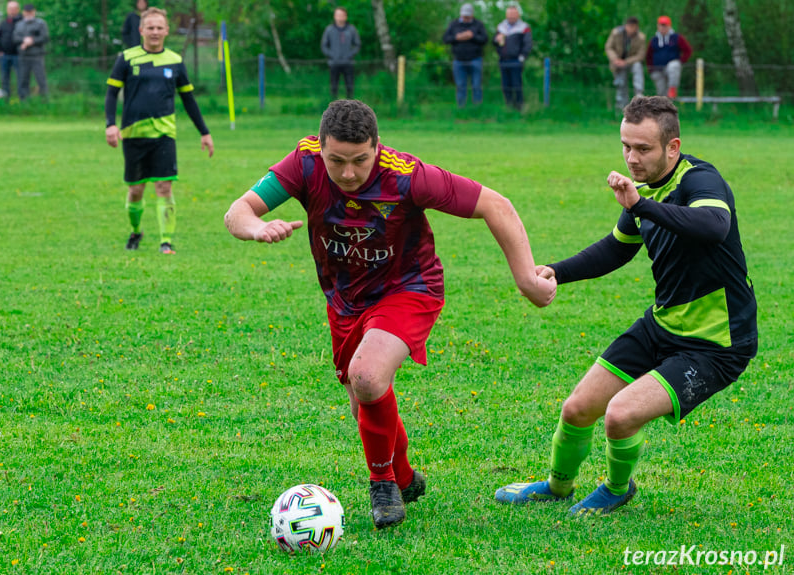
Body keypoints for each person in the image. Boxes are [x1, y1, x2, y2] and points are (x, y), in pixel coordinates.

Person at [224, 99, 556, 529]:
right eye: (336, 161)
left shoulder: (408, 176)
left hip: (409, 288)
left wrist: (526, 278)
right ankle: (402, 476)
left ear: (377, 148)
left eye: (360, 161)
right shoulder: (303, 164)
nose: (347, 173)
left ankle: (382, 484)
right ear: (320, 148)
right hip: (345, 301)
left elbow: (496, 205)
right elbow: (238, 211)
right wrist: (256, 227)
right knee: (364, 400)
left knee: (367, 376)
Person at [495, 96, 757, 516]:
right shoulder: (645, 194)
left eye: (643, 149)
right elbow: (616, 251)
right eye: (626, 146)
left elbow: (713, 226)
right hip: (663, 325)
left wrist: (640, 205)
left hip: (716, 343)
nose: (632, 159)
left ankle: (617, 488)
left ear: (672, 148)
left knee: (619, 415)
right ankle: (557, 486)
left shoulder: (700, 181)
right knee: (578, 408)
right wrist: (556, 272)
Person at [105, 7, 214, 255]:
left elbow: (188, 100)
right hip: (133, 134)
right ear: (142, 30)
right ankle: (135, 231)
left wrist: (204, 132)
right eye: (150, 28)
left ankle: (166, 241)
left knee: (164, 187)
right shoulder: (126, 58)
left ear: (166, 31)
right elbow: (111, 93)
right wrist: (110, 124)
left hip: (164, 135)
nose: (154, 32)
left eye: (159, 28)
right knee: (135, 190)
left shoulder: (175, 61)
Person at [442, 3, 487, 107]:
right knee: (460, 86)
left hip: (475, 59)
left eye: (468, 16)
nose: (465, 18)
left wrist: (472, 36)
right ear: (461, 14)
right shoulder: (454, 24)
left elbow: (484, 39)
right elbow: (446, 39)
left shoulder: (478, 24)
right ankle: (461, 108)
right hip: (459, 60)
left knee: (476, 85)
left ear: (472, 15)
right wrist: (457, 37)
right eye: (464, 16)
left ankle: (477, 108)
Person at [493, 1, 532, 110]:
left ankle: (519, 107)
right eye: (509, 14)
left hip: (516, 60)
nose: (511, 17)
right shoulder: (501, 27)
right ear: (506, 15)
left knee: (517, 85)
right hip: (503, 60)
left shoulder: (524, 27)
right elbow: (494, 41)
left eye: (513, 14)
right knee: (505, 85)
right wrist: (497, 39)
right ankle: (509, 106)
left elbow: (528, 44)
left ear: (518, 15)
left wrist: (522, 57)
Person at [605, 17, 646, 110]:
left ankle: (639, 94)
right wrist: (615, 59)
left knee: (637, 66)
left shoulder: (641, 37)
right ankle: (622, 106)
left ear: (636, 27)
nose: (631, 29)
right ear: (625, 26)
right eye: (629, 26)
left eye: (633, 26)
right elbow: (608, 47)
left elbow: (640, 55)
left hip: (631, 62)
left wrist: (626, 62)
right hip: (618, 63)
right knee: (621, 83)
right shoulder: (616, 33)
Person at [646, 15, 692, 99]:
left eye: (665, 25)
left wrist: (680, 61)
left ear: (669, 26)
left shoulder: (676, 38)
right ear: (658, 26)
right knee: (661, 94)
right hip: (657, 69)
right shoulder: (654, 40)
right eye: (661, 25)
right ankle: (663, 110)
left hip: (671, 67)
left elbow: (687, 50)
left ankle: (672, 89)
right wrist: (650, 69)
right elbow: (648, 55)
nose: (663, 28)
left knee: (673, 66)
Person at [320, 7, 360, 100]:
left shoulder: (351, 29)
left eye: (342, 15)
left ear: (345, 16)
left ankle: (350, 107)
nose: (340, 17)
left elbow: (357, 45)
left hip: (348, 63)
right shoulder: (329, 30)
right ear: (334, 16)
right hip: (334, 63)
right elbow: (324, 46)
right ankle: (333, 107)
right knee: (334, 86)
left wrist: (350, 55)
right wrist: (332, 55)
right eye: (338, 15)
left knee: (350, 86)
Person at [13, 3, 49, 100]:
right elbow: (15, 38)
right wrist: (24, 40)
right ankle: (24, 102)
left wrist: (32, 41)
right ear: (23, 12)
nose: (29, 13)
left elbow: (45, 38)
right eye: (27, 12)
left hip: (37, 56)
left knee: (41, 80)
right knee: (23, 80)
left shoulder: (41, 24)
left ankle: (44, 101)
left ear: (34, 12)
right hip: (24, 56)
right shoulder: (19, 25)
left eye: (30, 12)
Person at [0, 1, 21, 98]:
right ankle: (6, 97)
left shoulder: (21, 22)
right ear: (7, 10)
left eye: (14, 9)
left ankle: (22, 98)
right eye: (10, 9)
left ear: (18, 10)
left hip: (18, 55)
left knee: (20, 77)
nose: (12, 11)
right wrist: (0, 50)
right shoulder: (3, 23)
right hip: (5, 55)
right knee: (5, 78)